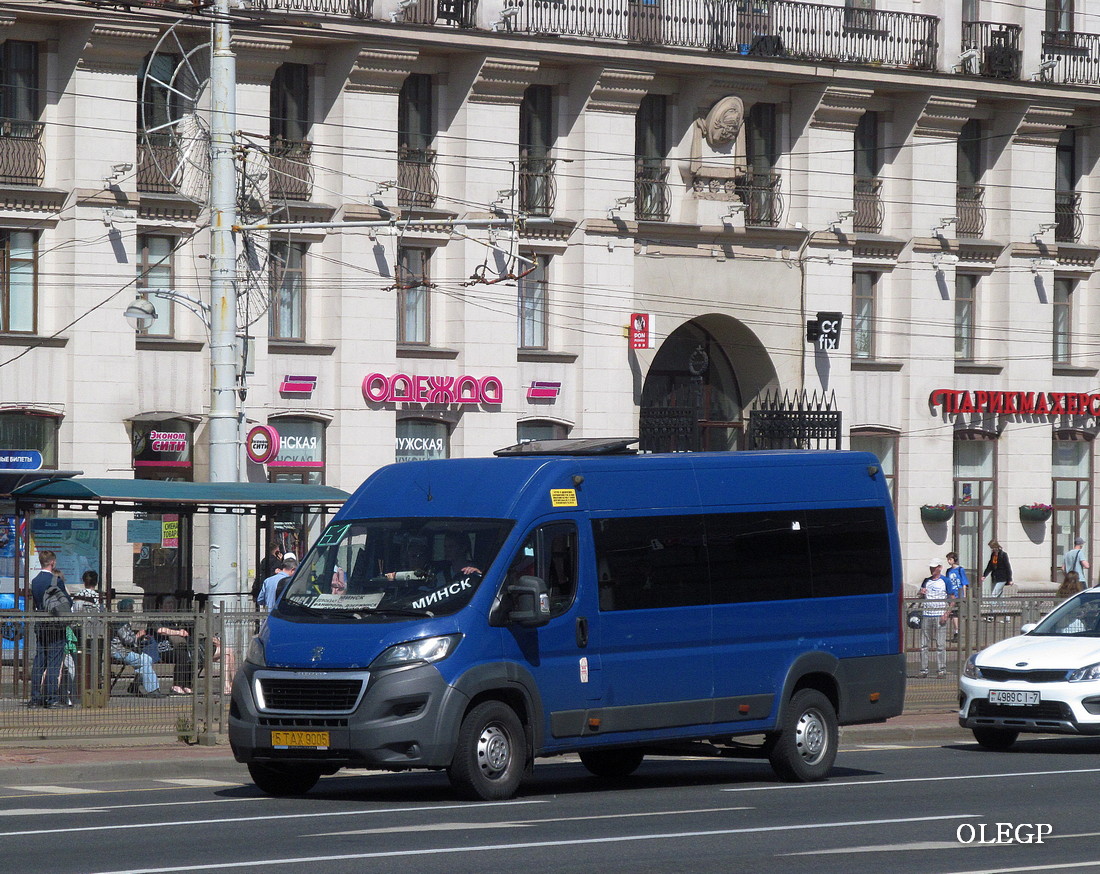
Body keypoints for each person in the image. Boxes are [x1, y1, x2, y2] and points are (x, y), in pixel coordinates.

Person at [28, 549, 70, 708]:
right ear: (52, 562)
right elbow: (66, 603)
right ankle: (52, 699)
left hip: (41, 624)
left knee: (39, 661)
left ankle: (35, 698)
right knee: (54, 662)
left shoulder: (35, 581)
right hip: (55, 626)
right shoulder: (55, 580)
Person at [110, 599, 166, 699]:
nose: (132, 611)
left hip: (126, 650)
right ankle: (152, 689)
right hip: (120, 651)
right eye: (130, 608)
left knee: (147, 659)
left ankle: (136, 685)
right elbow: (127, 640)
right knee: (144, 661)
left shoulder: (126, 622)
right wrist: (138, 635)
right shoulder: (120, 622)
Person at [918, 558, 953, 679]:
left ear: (940, 567)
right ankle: (923, 670)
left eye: (934, 567)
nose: (932, 570)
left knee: (940, 644)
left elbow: (952, 599)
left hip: (939, 614)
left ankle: (941, 670)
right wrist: (921, 593)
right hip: (927, 614)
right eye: (931, 567)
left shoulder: (945, 581)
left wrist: (946, 614)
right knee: (923, 644)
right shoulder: (926, 581)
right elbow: (920, 596)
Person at [155, 594, 194, 695]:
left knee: (189, 654)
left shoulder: (172, 619)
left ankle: (187, 684)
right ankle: (176, 685)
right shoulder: (156, 617)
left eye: (172, 603)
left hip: (175, 647)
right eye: (168, 603)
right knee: (182, 655)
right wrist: (177, 632)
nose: (171, 606)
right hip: (162, 649)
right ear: (160, 605)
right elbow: (160, 630)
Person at [943, 552, 969, 641]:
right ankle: (956, 632)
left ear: (954, 560)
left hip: (959, 594)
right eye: (948, 559)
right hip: (951, 594)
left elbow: (964, 583)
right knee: (953, 614)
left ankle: (960, 631)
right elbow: (947, 582)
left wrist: (964, 595)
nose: (948, 561)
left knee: (960, 614)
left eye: (950, 559)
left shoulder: (960, 570)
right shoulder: (948, 571)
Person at [981, 540, 1013, 610]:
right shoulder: (993, 555)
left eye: (992, 548)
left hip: (1002, 578)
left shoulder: (1003, 555)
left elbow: (1008, 567)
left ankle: (991, 614)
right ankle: (1006, 615)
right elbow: (990, 566)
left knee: (993, 596)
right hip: (995, 577)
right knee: (1000, 598)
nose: (992, 549)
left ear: (996, 547)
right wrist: (984, 575)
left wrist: (1010, 579)